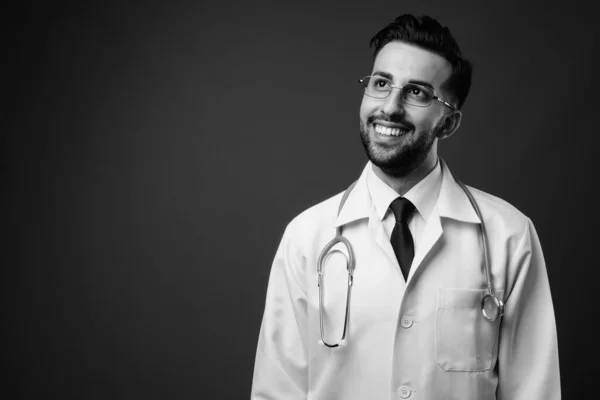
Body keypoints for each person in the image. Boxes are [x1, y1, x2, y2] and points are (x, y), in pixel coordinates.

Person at [250, 14, 560, 400]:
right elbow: (277, 392)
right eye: (381, 84)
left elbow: (534, 391)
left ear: (448, 123)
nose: (390, 108)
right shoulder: (306, 237)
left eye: (417, 93)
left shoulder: (508, 236)